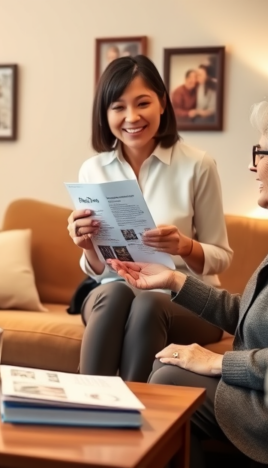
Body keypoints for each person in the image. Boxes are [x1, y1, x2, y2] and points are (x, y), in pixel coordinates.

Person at [109, 97, 268, 466]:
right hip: (266, 389)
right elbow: (247, 313)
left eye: (260, 152)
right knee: (169, 375)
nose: (252, 165)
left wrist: (216, 363)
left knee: (169, 383)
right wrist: (172, 280)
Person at [69, 55, 232, 382]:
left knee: (148, 305)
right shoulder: (93, 169)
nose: (131, 117)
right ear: (105, 113)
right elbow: (98, 271)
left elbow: (221, 257)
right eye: (118, 107)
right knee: (116, 294)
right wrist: (87, 246)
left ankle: (136, 417)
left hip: (185, 300)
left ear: (162, 104)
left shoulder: (197, 165)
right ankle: (87, 407)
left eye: (142, 103)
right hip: (113, 293)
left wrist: (184, 246)